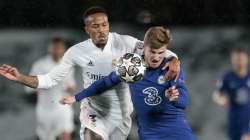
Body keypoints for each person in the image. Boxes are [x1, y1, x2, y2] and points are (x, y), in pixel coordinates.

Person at [0, 7, 180, 140]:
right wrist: (20, 77)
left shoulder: (125, 43)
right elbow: (49, 79)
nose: (102, 30)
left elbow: (155, 50)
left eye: (104, 25)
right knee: (92, 136)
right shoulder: (76, 52)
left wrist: (174, 60)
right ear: (87, 29)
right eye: (96, 26)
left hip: (121, 113)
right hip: (93, 110)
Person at [60, 26, 195, 140]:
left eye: (161, 53)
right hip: (149, 134)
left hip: (177, 131)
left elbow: (183, 102)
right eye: (152, 52)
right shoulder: (132, 67)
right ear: (144, 47)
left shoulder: (170, 68)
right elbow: (105, 82)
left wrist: (174, 98)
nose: (157, 57)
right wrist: (77, 96)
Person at [24, 38, 76, 140]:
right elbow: (28, 87)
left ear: (63, 49)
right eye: (55, 48)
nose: (57, 50)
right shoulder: (39, 65)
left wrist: (70, 89)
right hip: (45, 110)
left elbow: (71, 85)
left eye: (60, 48)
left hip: (62, 109)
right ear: (50, 49)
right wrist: (41, 85)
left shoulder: (68, 66)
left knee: (66, 135)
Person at [213, 48, 250, 140]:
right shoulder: (227, 77)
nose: (239, 63)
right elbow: (217, 94)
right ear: (232, 61)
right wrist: (221, 100)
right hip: (234, 119)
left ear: (246, 60)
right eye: (236, 60)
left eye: (241, 59)